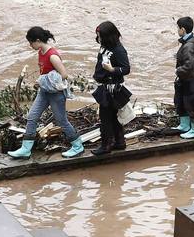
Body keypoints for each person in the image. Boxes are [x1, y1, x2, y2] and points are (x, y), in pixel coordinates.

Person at [9, 27, 85, 160]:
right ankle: (26, 149)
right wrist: (41, 83)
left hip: (56, 94)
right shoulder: (40, 52)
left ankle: (77, 146)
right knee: (32, 117)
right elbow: (44, 72)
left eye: (31, 42)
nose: (30, 45)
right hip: (44, 92)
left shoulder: (52, 56)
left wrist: (44, 81)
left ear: (38, 41)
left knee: (61, 121)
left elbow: (64, 75)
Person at [92, 21, 131, 155]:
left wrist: (112, 69)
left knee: (105, 118)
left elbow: (126, 69)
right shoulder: (105, 45)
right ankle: (119, 142)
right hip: (105, 85)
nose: (99, 39)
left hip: (112, 89)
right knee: (113, 117)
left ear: (108, 36)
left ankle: (106, 145)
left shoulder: (119, 50)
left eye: (100, 36)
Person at [175, 16, 194, 139]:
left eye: (178, 28)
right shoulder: (187, 42)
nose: (177, 30)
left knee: (190, 103)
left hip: (189, 79)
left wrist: (178, 70)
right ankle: (184, 125)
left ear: (183, 29)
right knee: (180, 101)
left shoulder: (188, 45)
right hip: (184, 79)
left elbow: (189, 65)